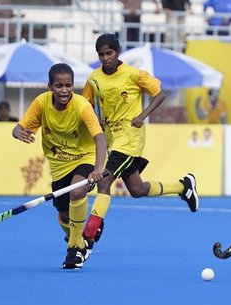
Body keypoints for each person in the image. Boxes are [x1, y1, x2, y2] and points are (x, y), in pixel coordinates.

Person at [81, 34, 199, 251]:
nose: (105, 58)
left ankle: (88, 236)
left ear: (118, 52)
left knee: (104, 183)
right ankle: (183, 186)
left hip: (130, 138)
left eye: (109, 53)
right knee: (137, 189)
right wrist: (96, 118)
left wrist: (142, 115)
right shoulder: (93, 78)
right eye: (101, 54)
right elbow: (85, 103)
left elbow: (159, 94)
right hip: (111, 139)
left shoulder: (134, 74)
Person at [11, 63, 107, 269]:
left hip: (84, 158)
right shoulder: (41, 103)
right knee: (63, 214)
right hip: (59, 165)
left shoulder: (82, 106)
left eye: (68, 85)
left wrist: (98, 168)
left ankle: (74, 249)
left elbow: (100, 138)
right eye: (59, 86)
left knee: (78, 191)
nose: (64, 90)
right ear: (50, 86)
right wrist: (18, 132)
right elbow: (18, 128)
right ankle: (82, 239)